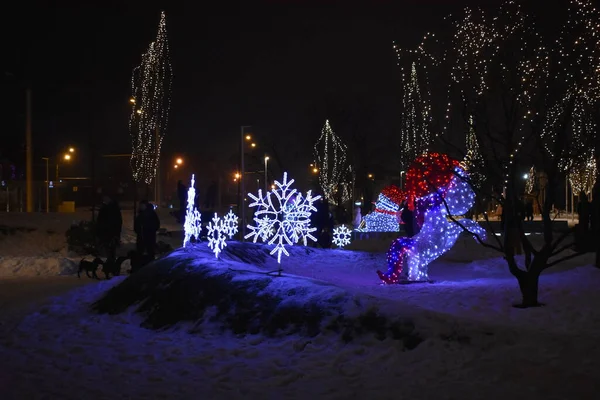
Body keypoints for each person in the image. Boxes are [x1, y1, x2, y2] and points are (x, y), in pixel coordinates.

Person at [96, 195, 122, 259]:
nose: (104, 200)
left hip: (111, 233)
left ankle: (111, 263)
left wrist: (116, 234)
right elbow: (99, 221)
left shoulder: (113, 208)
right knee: (108, 250)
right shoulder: (104, 208)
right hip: (105, 233)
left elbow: (118, 222)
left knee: (111, 250)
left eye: (106, 198)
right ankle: (110, 262)